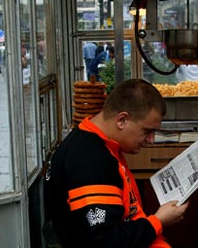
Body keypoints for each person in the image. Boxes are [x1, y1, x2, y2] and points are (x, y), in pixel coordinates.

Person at [48, 79, 188, 248]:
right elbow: (106, 242)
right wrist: (158, 221)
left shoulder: (101, 142)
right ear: (122, 120)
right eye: (147, 131)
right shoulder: (90, 162)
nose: (151, 140)